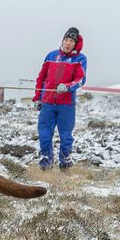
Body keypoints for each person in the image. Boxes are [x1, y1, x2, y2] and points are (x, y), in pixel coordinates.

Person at [32, 27, 87, 170]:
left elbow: (81, 80)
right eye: (66, 40)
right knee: (44, 132)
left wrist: (68, 87)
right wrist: (38, 97)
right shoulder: (51, 56)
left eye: (71, 41)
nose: (68, 43)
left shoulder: (80, 59)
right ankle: (46, 160)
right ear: (62, 41)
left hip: (66, 105)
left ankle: (65, 161)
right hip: (48, 103)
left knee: (65, 135)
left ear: (76, 44)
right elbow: (41, 78)